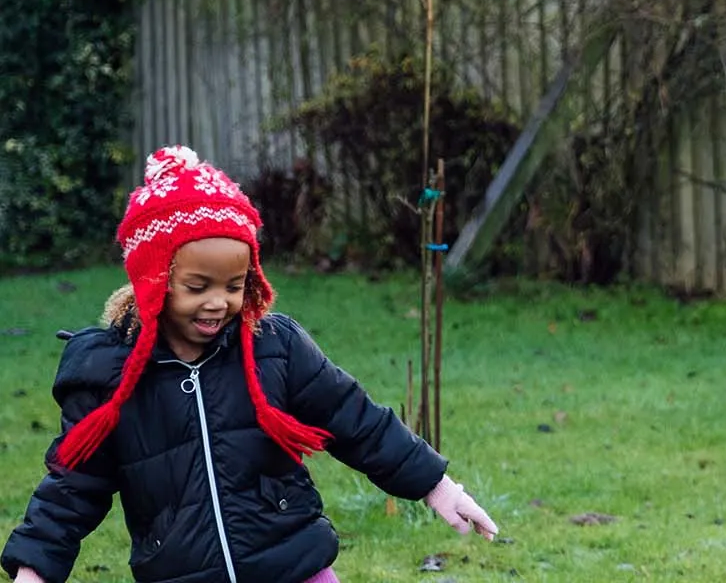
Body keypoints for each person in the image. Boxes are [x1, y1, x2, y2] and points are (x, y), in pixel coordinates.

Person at [3, 146, 498, 583]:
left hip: (294, 565)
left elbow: (358, 421)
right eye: (198, 287)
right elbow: (73, 485)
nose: (218, 302)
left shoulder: (274, 347)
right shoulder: (109, 374)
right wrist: (35, 568)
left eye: (234, 285)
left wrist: (437, 486)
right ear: (154, 278)